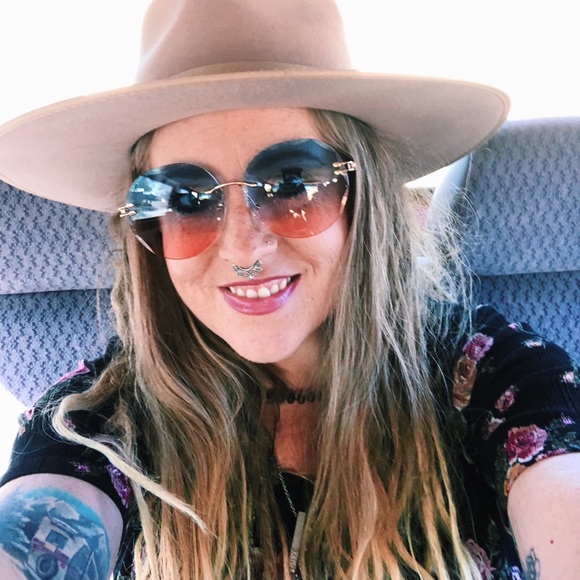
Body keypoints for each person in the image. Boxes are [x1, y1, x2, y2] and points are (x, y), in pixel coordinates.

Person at [0, 0, 578, 578]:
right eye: (184, 200)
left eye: (293, 184)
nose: (242, 249)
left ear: (365, 199)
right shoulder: (100, 415)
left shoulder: (492, 374)